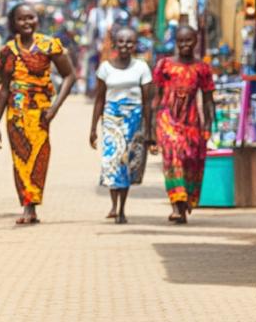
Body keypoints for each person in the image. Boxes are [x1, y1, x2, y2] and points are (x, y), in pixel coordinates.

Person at [0, 4, 78, 224]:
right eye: (21, 19)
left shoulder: (49, 45)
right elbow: (4, 89)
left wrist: (54, 108)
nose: (26, 22)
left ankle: (33, 203)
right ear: (13, 23)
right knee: (20, 160)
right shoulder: (9, 50)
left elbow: (70, 76)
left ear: (37, 19)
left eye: (31, 18)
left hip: (40, 114)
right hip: (15, 115)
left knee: (39, 158)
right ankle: (27, 206)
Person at [152, 25, 215, 224]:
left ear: (196, 42)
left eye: (188, 41)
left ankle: (185, 202)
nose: (184, 45)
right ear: (175, 42)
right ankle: (176, 206)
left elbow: (207, 99)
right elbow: (156, 96)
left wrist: (209, 125)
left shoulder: (202, 68)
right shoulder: (165, 65)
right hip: (167, 117)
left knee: (191, 161)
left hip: (191, 121)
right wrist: (150, 128)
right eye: (181, 41)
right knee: (173, 157)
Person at [89, 25, 152, 224]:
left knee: (127, 164)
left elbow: (147, 101)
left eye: (130, 42)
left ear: (135, 45)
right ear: (115, 44)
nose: (125, 46)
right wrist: (92, 128)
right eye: (122, 41)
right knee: (112, 162)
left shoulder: (142, 67)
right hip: (111, 119)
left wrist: (150, 130)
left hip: (133, 119)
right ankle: (114, 206)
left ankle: (122, 208)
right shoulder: (105, 68)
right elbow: (99, 99)